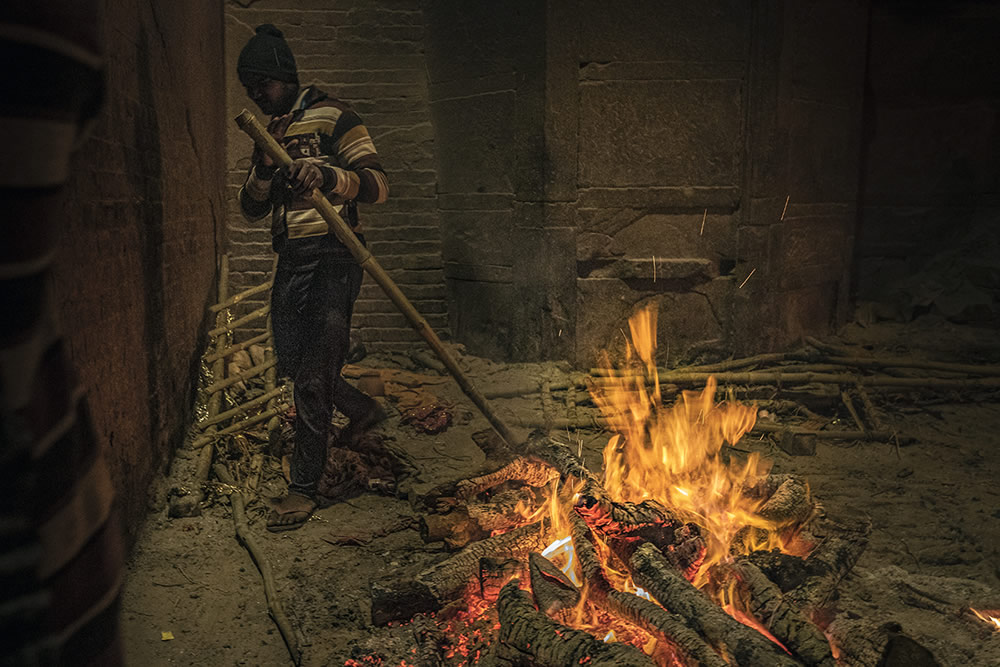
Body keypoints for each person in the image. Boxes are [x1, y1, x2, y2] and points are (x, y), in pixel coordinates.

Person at [236, 24, 390, 532]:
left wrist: (327, 176)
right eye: (250, 86)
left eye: (264, 82)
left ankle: (303, 487)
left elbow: (378, 185)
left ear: (285, 74)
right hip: (294, 256)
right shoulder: (271, 131)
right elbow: (252, 209)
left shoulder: (334, 115)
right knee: (294, 360)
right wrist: (263, 166)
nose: (257, 94)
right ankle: (362, 409)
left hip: (336, 255)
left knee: (313, 372)